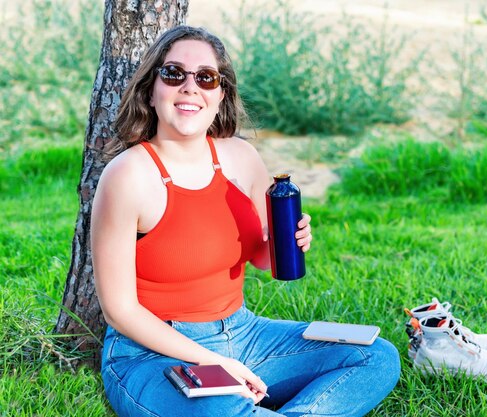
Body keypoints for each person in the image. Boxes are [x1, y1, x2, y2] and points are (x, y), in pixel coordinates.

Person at [92, 25, 400, 417]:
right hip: (151, 353)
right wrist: (213, 362)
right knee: (219, 409)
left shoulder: (240, 159)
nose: (190, 87)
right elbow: (119, 310)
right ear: (151, 91)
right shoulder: (127, 175)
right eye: (173, 74)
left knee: (375, 356)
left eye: (206, 77)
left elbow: (264, 258)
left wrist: (292, 241)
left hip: (244, 333)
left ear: (221, 95)